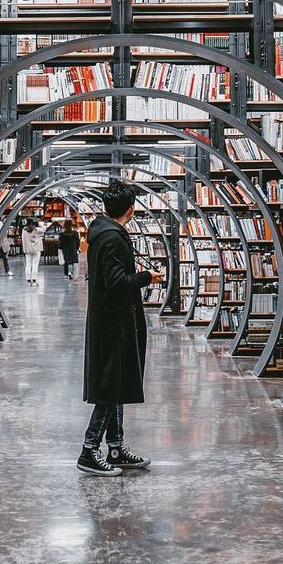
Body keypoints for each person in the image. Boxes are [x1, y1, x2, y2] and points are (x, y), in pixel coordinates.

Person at [78, 180, 164, 476]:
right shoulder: (113, 238)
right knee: (109, 387)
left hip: (109, 319)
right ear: (131, 209)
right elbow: (117, 282)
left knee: (114, 384)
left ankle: (115, 447)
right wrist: (147, 278)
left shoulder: (102, 233)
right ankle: (89, 451)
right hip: (113, 323)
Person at [20, 219, 45, 285]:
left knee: (28, 265)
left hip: (28, 249)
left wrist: (24, 249)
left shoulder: (24, 230)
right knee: (35, 265)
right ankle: (34, 280)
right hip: (36, 249)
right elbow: (44, 230)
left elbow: (23, 240)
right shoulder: (37, 230)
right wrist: (39, 225)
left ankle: (28, 280)